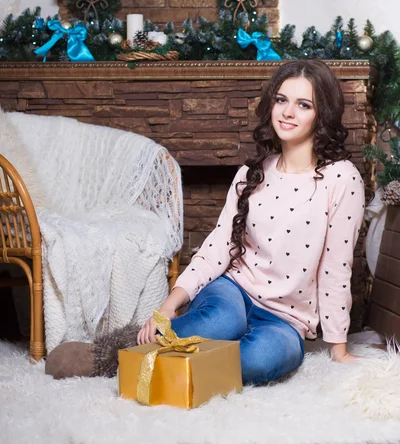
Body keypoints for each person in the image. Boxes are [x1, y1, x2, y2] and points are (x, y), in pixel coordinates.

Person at [137, 59, 366, 385]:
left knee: (258, 361)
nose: (287, 112)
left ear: (322, 114)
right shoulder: (250, 174)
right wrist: (171, 304)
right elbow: (219, 243)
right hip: (234, 291)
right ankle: (125, 348)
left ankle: (180, 362)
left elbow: (336, 268)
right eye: (281, 100)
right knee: (220, 324)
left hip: (286, 319)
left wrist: (338, 349)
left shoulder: (342, 179)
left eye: (303, 105)